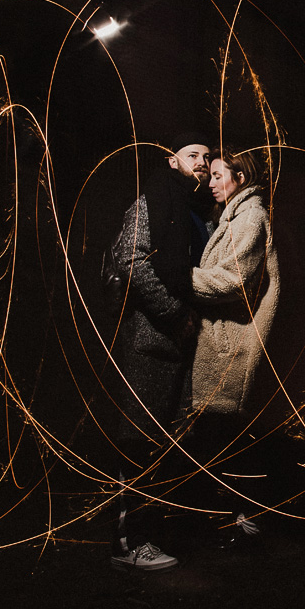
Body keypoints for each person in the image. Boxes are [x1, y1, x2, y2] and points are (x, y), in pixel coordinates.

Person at [106, 132, 215, 571]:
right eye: (193, 155)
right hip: (150, 343)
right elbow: (127, 258)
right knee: (138, 444)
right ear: (173, 162)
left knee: (168, 445)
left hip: (182, 347)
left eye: (207, 157)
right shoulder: (154, 200)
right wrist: (174, 313)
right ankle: (127, 545)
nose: (203, 163)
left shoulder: (198, 212)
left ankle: (149, 536)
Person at [188, 148, 280, 538]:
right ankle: (232, 519)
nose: (209, 183)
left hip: (232, 343)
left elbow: (235, 280)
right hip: (222, 339)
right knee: (219, 437)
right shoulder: (233, 216)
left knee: (225, 437)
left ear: (241, 178)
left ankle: (242, 522)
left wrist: (181, 278)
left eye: (217, 175)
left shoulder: (251, 217)